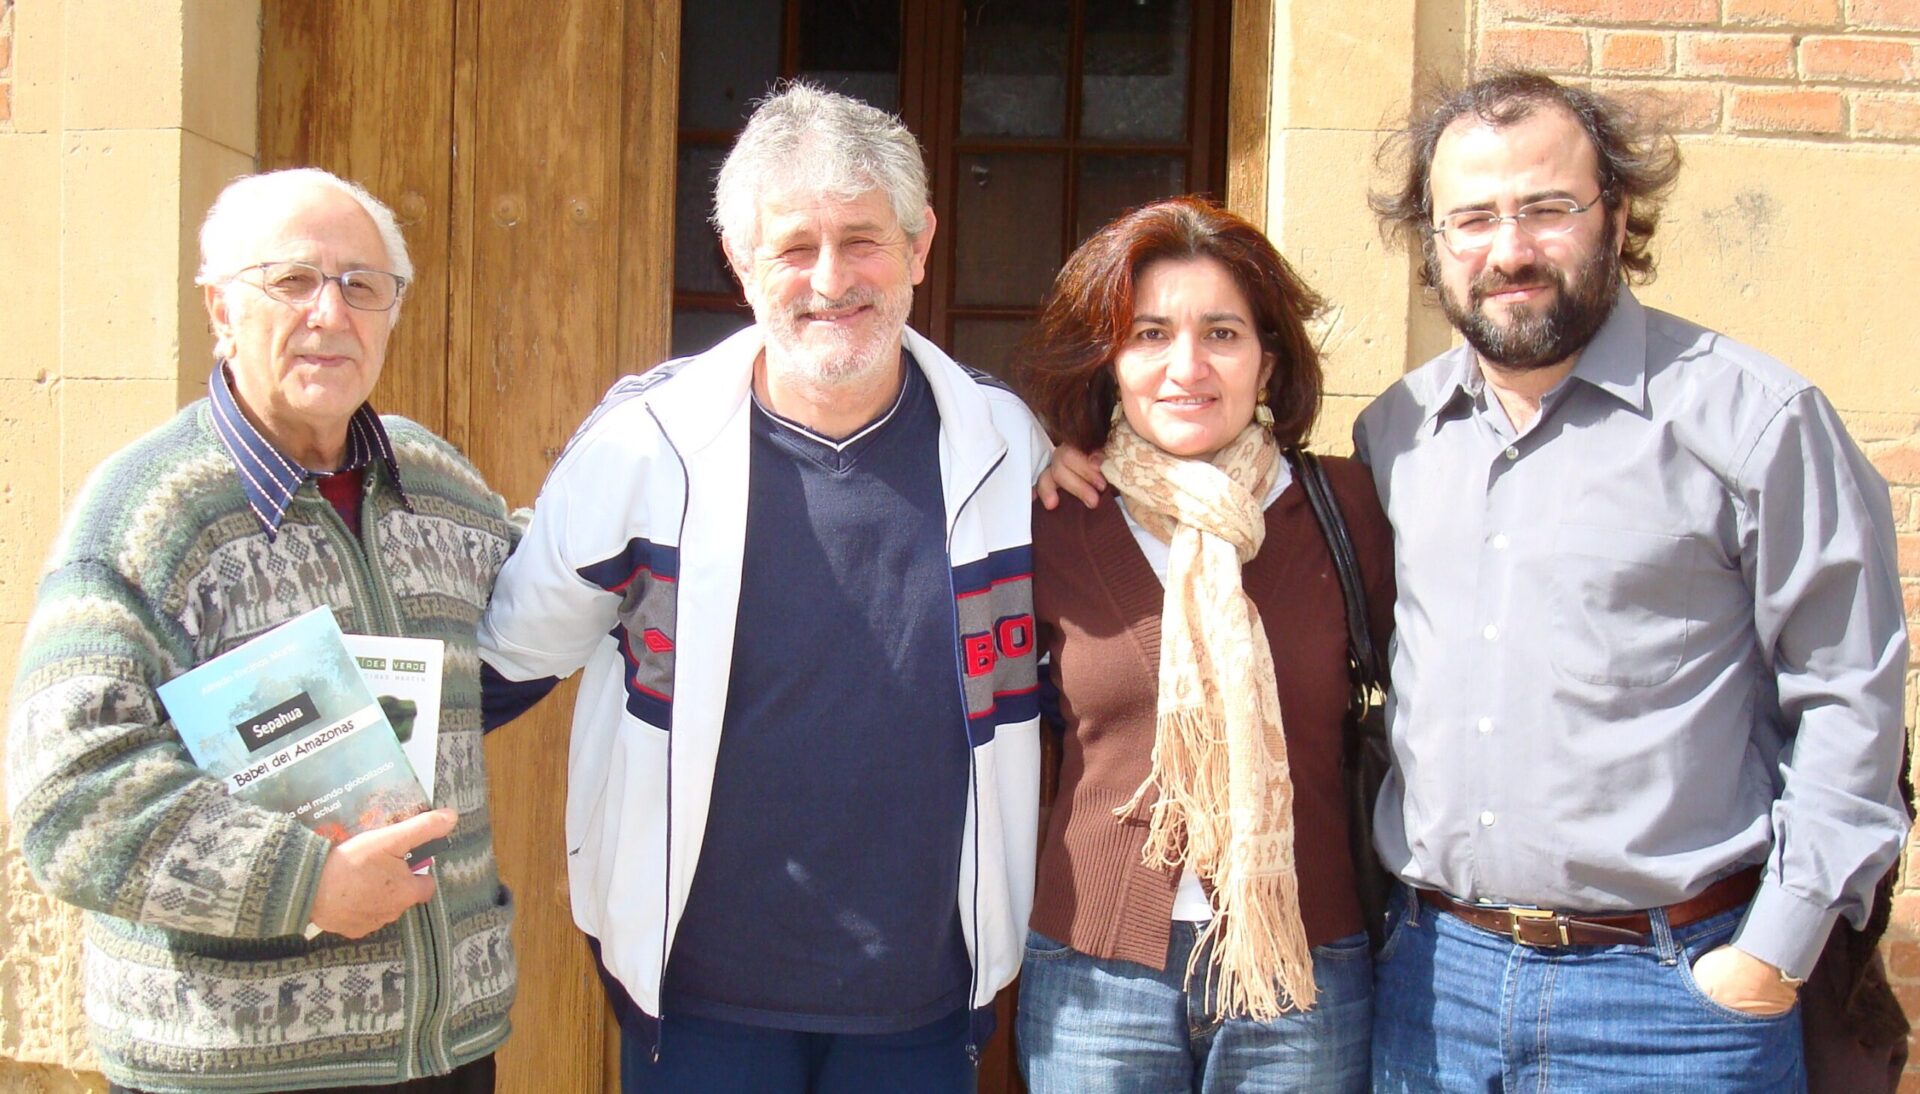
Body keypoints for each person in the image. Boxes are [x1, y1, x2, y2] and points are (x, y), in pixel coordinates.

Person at [475, 83, 1049, 1092]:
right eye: (794, 246)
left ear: (921, 247)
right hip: (700, 1001)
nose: (831, 279)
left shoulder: (1005, 443)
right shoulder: (641, 450)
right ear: (741, 265)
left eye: (865, 239)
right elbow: (509, 657)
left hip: (920, 997)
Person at [1352, 72, 1909, 1089]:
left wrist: (1773, 953)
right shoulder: (1397, 434)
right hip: (1433, 985)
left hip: (1675, 1000)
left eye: (1547, 208)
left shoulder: (1754, 422)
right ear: (1430, 240)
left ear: (1615, 214)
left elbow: (1852, 699)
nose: (1509, 249)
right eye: (1471, 218)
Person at [7, 168, 517, 1093]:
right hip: (232, 1066)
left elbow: (550, 591)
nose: (331, 313)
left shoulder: (435, 483)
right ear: (219, 308)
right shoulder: (150, 515)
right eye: (291, 281)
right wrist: (306, 882)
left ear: (393, 312)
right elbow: (70, 798)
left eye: (362, 286)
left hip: (441, 1056)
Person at [1012, 196, 1393, 1093]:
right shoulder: (1052, 516)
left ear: (1268, 359)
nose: (1186, 366)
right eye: (1149, 334)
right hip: (1096, 976)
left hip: (1303, 970)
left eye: (1221, 333)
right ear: (1111, 360)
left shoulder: (1348, 510)